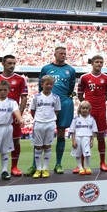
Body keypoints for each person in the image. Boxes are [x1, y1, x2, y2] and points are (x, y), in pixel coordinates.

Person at [30, 47, 76, 175]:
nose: (63, 55)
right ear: (55, 54)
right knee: (40, 135)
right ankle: (35, 166)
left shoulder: (71, 70)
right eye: (61, 53)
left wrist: (66, 98)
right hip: (48, 104)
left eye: (65, 53)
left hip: (64, 102)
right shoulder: (46, 68)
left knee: (61, 132)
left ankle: (58, 164)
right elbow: (40, 86)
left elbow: (71, 88)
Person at [0, 55, 28, 177]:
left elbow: (24, 98)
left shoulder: (20, 79)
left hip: (13, 117)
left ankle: (13, 167)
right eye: (9, 63)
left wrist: (19, 116)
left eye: (14, 63)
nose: (12, 66)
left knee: (15, 141)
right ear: (3, 64)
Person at [77, 55, 107, 172]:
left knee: (101, 137)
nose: (99, 64)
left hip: (101, 110)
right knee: (83, 137)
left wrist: (100, 103)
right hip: (87, 112)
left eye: (101, 62)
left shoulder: (106, 78)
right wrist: (86, 105)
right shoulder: (84, 77)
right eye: (96, 62)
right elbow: (80, 94)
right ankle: (80, 165)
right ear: (92, 63)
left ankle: (103, 162)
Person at [0, 80, 22, 181]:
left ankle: (4, 171)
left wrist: (20, 119)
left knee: (5, 150)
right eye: (0, 90)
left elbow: (16, 111)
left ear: (8, 91)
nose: (2, 92)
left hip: (7, 127)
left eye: (5, 90)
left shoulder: (12, 102)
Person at [29, 76, 61, 178]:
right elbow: (33, 110)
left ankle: (45, 169)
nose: (49, 86)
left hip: (50, 123)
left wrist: (51, 119)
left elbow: (57, 111)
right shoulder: (36, 97)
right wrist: (39, 118)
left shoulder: (56, 97)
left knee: (47, 146)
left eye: (51, 84)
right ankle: (38, 169)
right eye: (47, 84)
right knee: (38, 146)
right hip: (38, 123)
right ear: (41, 84)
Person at [69, 101, 97, 175]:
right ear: (80, 109)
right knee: (78, 154)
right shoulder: (76, 119)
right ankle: (80, 168)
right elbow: (72, 131)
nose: (85, 110)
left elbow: (94, 131)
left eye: (86, 108)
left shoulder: (92, 119)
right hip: (78, 138)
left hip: (87, 138)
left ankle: (87, 167)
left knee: (87, 153)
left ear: (89, 109)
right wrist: (73, 141)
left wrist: (92, 141)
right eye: (83, 108)